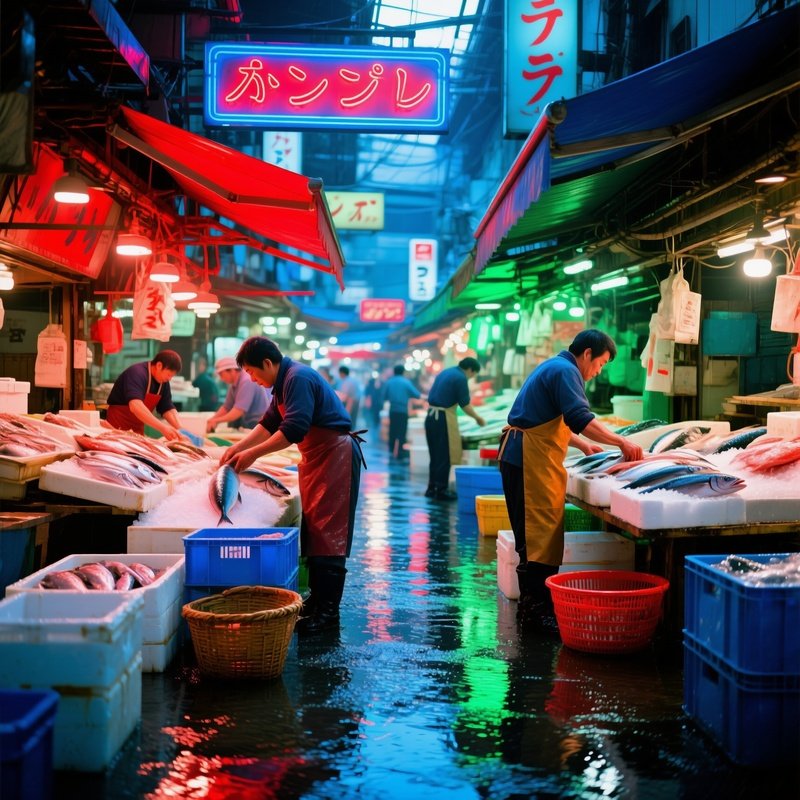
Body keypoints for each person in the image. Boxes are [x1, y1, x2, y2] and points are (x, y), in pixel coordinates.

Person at [498, 329, 644, 635]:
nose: (598, 371)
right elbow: (579, 417)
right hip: (528, 461)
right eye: (600, 363)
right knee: (536, 538)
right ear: (587, 353)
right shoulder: (566, 371)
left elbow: (552, 418)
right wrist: (620, 442)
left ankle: (535, 610)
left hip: (526, 457)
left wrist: (582, 445)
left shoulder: (556, 366)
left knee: (539, 536)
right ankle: (534, 615)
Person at [220, 337, 365, 634]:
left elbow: (293, 429)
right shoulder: (283, 382)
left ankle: (328, 613)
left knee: (330, 535)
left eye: (252, 372)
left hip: (334, 456)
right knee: (315, 530)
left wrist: (251, 455)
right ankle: (316, 602)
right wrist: (238, 448)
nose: (252, 379)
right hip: (316, 459)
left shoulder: (297, 377)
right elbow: (270, 422)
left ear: (268, 363)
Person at [424, 357, 486, 500]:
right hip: (442, 418)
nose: (471, 378)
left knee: (435, 455)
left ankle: (431, 487)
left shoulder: (447, 372)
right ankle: (441, 489)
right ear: (470, 370)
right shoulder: (460, 378)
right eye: (473, 375)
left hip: (431, 416)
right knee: (444, 454)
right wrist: (478, 418)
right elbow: (465, 404)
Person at [105, 349, 186, 441]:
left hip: (137, 432)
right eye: (168, 374)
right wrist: (163, 428)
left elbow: (167, 408)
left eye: (172, 376)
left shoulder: (163, 382)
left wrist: (181, 430)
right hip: (116, 428)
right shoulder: (137, 373)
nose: (169, 379)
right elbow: (135, 406)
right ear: (159, 365)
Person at [205, 356, 270, 433]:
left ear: (232, 371)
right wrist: (212, 419)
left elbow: (238, 411)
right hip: (247, 422)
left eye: (221, 375)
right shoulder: (233, 384)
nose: (221, 379)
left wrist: (217, 421)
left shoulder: (246, 381)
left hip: (258, 423)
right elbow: (226, 407)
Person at [383, 364, 421, 459]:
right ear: (403, 372)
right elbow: (416, 394)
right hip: (403, 411)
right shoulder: (406, 382)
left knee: (392, 430)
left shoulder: (389, 382)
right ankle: (400, 451)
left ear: (394, 372)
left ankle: (391, 451)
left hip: (392, 410)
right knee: (402, 431)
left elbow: (384, 396)